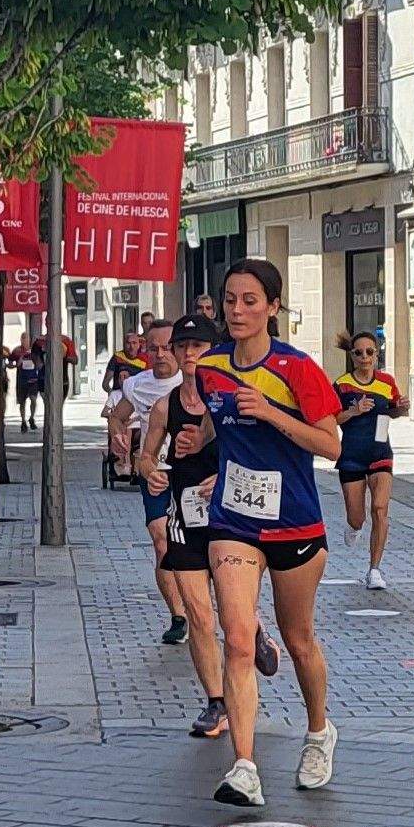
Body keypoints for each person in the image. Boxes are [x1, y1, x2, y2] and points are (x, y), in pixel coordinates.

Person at [196, 259, 343, 808]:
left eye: (250, 301)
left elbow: (331, 446)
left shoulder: (298, 369)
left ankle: (318, 732)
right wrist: (205, 451)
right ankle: (244, 766)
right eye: (230, 299)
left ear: (273, 308)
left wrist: (273, 415)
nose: (237, 310)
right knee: (236, 637)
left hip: (295, 522)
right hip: (233, 521)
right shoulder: (209, 368)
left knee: (299, 639)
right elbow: (217, 417)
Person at [138, 313, 279, 738]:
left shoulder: (232, 399)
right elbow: (145, 455)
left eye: (197, 347)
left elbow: (260, 454)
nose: (189, 355)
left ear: (212, 351)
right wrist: (151, 472)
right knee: (200, 615)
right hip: (185, 515)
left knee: (230, 610)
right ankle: (216, 703)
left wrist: (224, 476)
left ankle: (252, 630)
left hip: (229, 517)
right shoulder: (167, 405)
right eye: (183, 347)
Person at [108, 322, 194, 644]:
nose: (159, 354)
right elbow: (116, 415)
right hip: (154, 468)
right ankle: (178, 616)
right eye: (152, 348)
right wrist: (118, 435)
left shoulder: (192, 380)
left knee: (197, 543)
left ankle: (202, 603)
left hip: (192, 473)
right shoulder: (137, 385)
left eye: (166, 347)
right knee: (161, 539)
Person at [333, 331, 407, 591]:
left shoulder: (386, 382)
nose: (365, 357)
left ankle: (374, 570)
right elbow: (331, 418)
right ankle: (354, 527)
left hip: (380, 453)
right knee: (358, 517)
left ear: (377, 354)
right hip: (351, 455)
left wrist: (402, 407)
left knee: (380, 509)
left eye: (370, 352)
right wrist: (354, 411)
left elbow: (394, 410)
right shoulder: (342, 385)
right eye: (359, 352)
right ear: (352, 356)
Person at [13, 333, 42, 431]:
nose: (25, 341)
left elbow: (39, 363)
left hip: (33, 379)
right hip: (22, 380)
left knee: (33, 399)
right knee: (22, 402)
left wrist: (36, 363)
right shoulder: (17, 351)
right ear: (21, 340)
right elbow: (10, 363)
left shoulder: (34, 351)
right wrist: (17, 363)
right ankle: (23, 421)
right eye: (24, 339)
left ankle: (31, 418)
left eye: (27, 339)